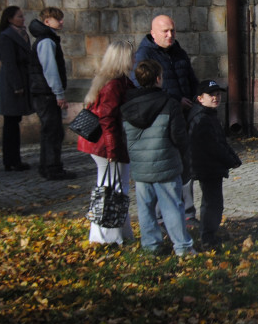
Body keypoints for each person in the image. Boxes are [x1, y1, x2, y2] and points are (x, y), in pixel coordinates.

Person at [121, 59, 195, 257]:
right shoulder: (170, 103)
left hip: (140, 166)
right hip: (166, 164)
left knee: (145, 208)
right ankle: (183, 247)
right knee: (172, 205)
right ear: (158, 78)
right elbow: (179, 137)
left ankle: (151, 246)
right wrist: (185, 162)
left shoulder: (127, 105)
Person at [135, 14, 199, 220]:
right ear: (153, 33)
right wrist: (175, 100)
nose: (170, 35)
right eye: (165, 31)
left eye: (172, 30)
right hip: (162, 117)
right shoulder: (145, 55)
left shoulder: (178, 52)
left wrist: (198, 96)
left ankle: (188, 214)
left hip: (185, 116)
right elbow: (144, 88)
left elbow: (191, 78)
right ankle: (162, 217)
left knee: (186, 165)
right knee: (166, 169)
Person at [79, 41, 136, 245]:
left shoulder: (113, 80)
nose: (134, 59)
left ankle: (119, 232)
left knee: (111, 187)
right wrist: (112, 149)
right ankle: (107, 236)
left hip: (105, 144)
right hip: (107, 145)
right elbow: (107, 118)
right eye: (131, 55)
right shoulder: (114, 84)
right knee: (112, 190)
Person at [187, 80, 242, 249]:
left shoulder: (209, 115)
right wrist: (230, 160)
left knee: (213, 202)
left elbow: (220, 142)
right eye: (211, 95)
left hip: (211, 166)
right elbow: (213, 146)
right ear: (200, 98)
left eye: (218, 94)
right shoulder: (202, 118)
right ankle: (207, 238)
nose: (216, 98)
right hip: (207, 167)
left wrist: (232, 156)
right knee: (212, 204)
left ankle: (209, 234)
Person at [29, 7, 71, 179]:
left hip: (44, 91)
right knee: (53, 131)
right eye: (58, 19)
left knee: (50, 131)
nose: (61, 22)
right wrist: (58, 94)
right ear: (47, 22)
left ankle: (48, 166)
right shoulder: (46, 41)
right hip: (46, 93)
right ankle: (52, 168)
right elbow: (50, 70)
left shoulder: (47, 39)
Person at [0, 6, 33, 172]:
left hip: (21, 80)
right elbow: (9, 63)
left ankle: (13, 159)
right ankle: (11, 160)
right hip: (12, 84)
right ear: (10, 19)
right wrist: (17, 86)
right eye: (19, 16)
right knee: (10, 122)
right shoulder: (6, 37)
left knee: (14, 122)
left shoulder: (21, 34)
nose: (23, 19)